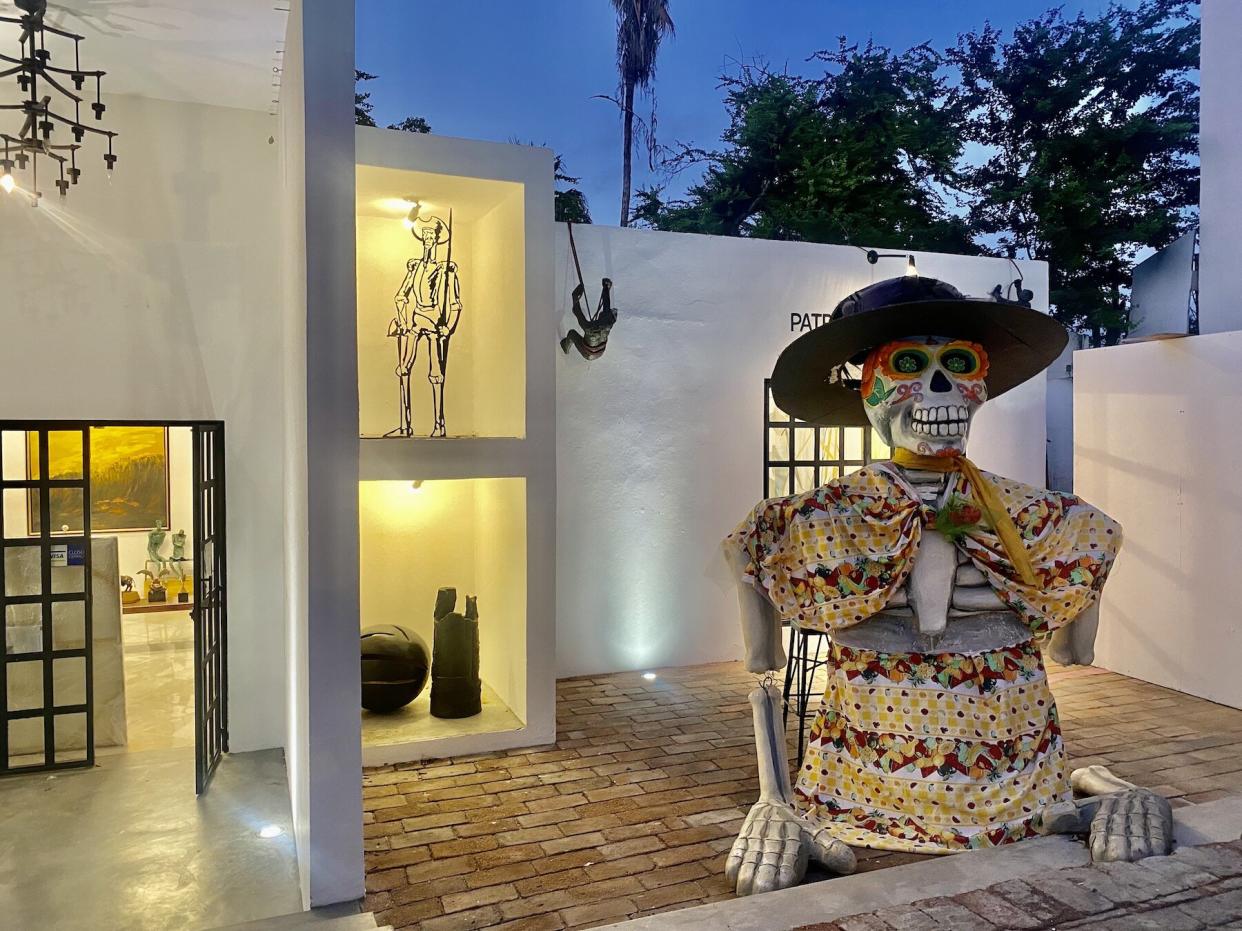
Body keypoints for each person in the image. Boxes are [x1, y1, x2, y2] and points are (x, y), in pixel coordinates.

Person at [722, 274, 1168, 897]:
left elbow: (1071, 652)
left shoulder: (1050, 525)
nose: (940, 388)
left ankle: (1097, 784)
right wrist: (774, 798)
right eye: (909, 364)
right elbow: (762, 674)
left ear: (980, 384)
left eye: (957, 364)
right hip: (860, 777)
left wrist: (1119, 792)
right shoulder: (810, 523)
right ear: (868, 390)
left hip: (1013, 773)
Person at [389, 215, 462, 437]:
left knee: (436, 373)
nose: (428, 239)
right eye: (426, 235)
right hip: (415, 319)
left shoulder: (446, 270)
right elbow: (400, 295)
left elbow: (455, 303)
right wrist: (402, 319)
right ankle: (405, 425)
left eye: (433, 235)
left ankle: (439, 425)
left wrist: (448, 326)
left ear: (438, 240)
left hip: (434, 323)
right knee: (403, 368)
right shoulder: (414, 268)